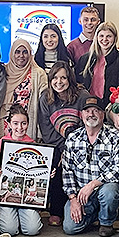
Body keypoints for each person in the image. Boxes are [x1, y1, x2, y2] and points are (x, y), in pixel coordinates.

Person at [62, 95, 119, 237]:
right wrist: (73, 199)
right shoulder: (72, 138)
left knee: (110, 191)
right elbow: (67, 172)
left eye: (96, 110)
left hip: (103, 187)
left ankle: (106, 222)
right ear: (81, 115)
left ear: (103, 114)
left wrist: (92, 185)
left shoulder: (116, 137)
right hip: (81, 194)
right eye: (87, 111)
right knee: (70, 228)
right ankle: (95, 215)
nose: (91, 114)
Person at [38, 61, 90, 226]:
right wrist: (61, 149)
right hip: (54, 145)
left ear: (70, 80)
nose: (59, 82)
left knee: (70, 164)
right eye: (55, 78)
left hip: (79, 145)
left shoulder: (82, 97)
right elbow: (46, 129)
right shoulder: (45, 98)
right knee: (55, 167)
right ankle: (55, 211)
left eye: (63, 78)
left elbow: (87, 125)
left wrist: (69, 148)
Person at [0, 105, 43, 236]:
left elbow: (40, 171)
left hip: (27, 196)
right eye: (15, 123)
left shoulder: (34, 145)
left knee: (32, 230)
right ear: (9, 124)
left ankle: (25, 215)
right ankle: (12, 215)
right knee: (9, 230)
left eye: (23, 123)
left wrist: (47, 174)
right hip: (4, 195)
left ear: (28, 124)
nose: (20, 128)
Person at [75, 22, 119, 109]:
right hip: (86, 106)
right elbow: (77, 83)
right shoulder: (85, 59)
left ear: (115, 38)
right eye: (101, 36)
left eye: (109, 36)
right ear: (96, 37)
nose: (104, 39)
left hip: (112, 108)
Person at [2, 38, 47, 139]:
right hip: (5, 121)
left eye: (25, 52)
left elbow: (44, 101)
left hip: (27, 122)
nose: (21, 56)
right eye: (17, 52)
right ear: (12, 53)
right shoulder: (3, 71)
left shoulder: (39, 73)